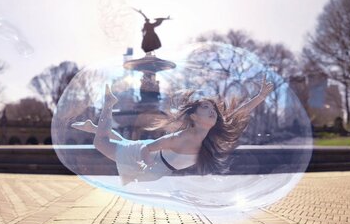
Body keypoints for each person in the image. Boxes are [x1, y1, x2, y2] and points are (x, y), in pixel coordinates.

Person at [72, 75, 275, 185]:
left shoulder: (209, 135)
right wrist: (145, 164)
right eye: (206, 108)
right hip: (147, 157)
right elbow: (148, 148)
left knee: (122, 147)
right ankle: (109, 104)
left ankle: (94, 127)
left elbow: (238, 113)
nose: (213, 111)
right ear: (194, 117)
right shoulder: (181, 137)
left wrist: (260, 97)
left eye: (213, 109)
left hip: (155, 161)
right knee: (100, 144)